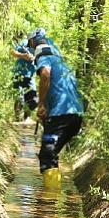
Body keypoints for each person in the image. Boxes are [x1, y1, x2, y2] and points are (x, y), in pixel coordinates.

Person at [29, 28, 84, 189]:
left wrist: (40, 105)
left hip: (61, 115)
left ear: (33, 42)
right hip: (76, 115)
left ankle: (49, 204)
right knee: (50, 155)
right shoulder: (59, 58)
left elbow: (45, 74)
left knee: (47, 155)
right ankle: (51, 198)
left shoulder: (43, 53)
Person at [10, 31, 38, 121]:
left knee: (32, 98)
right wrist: (23, 55)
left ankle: (27, 118)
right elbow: (12, 52)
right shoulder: (24, 43)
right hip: (18, 74)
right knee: (19, 97)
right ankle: (17, 117)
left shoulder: (40, 48)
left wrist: (34, 58)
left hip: (30, 76)